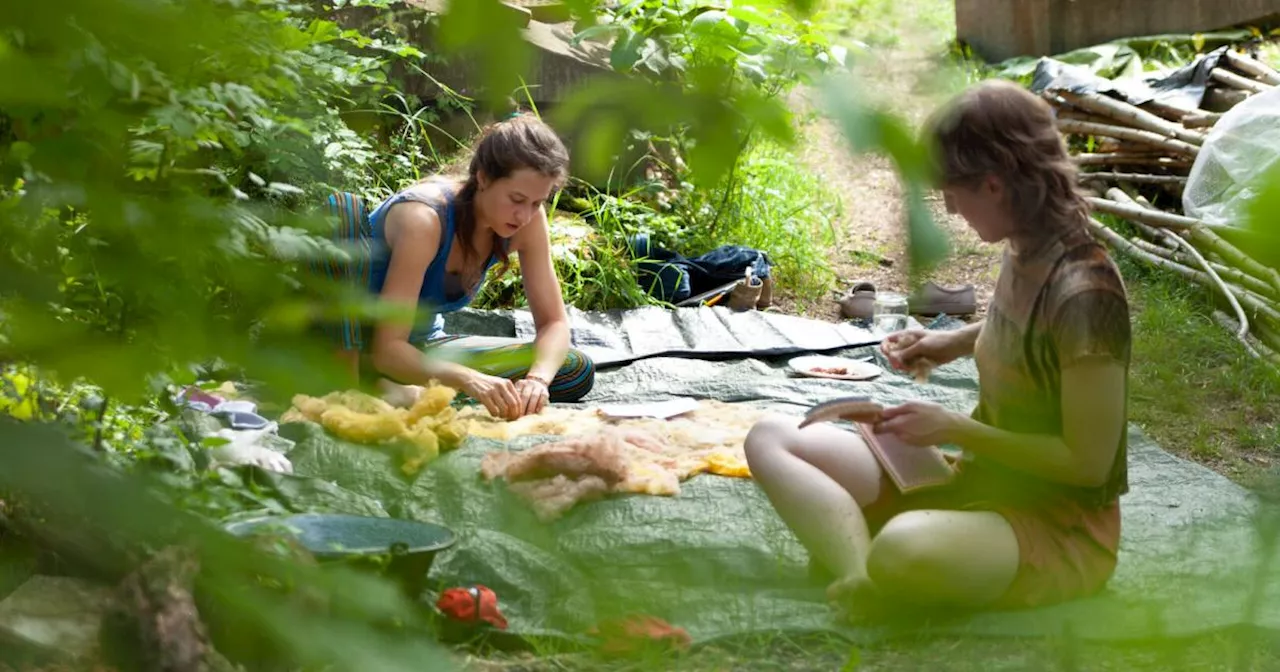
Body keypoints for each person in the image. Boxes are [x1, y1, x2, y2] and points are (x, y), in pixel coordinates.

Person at [744, 80, 1131, 613]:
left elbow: (1087, 465)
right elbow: (1024, 330)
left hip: (1054, 524)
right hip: (979, 483)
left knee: (904, 546)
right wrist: (946, 343)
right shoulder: (1027, 247)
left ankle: (883, 567)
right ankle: (861, 578)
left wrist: (953, 428)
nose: (949, 208)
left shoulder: (1088, 293)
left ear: (994, 185)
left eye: (952, 190)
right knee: (772, 437)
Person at [316, 113, 595, 420]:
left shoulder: (526, 222)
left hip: (421, 351)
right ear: (484, 177)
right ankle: (362, 385)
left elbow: (554, 323)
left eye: (537, 202)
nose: (524, 215)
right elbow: (389, 350)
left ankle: (400, 392)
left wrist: (536, 381)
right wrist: (469, 379)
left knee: (572, 370)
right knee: (341, 210)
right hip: (355, 348)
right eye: (517, 198)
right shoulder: (423, 220)